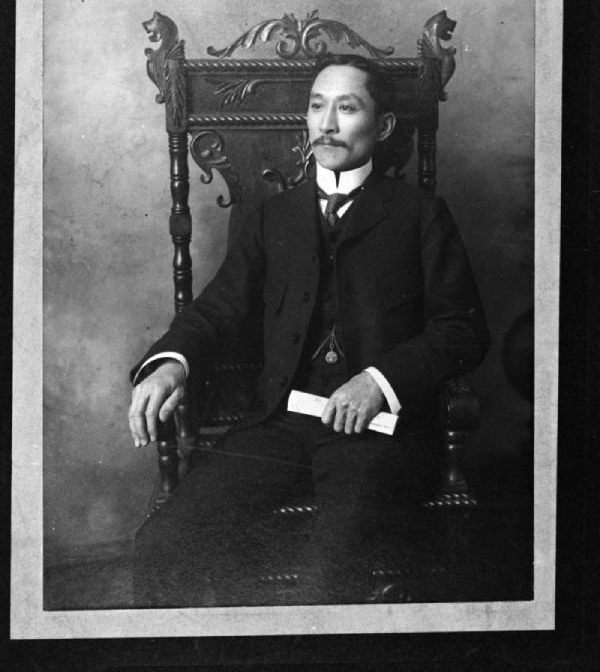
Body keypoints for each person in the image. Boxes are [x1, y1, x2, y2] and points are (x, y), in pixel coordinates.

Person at [128, 53, 490, 607]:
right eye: (317, 106)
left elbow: (461, 329)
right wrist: (171, 361)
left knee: (328, 578)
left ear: (384, 126)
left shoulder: (421, 215)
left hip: (377, 435)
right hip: (279, 424)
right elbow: (220, 306)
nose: (326, 124)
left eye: (347, 108)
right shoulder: (272, 217)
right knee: (163, 546)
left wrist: (379, 382)